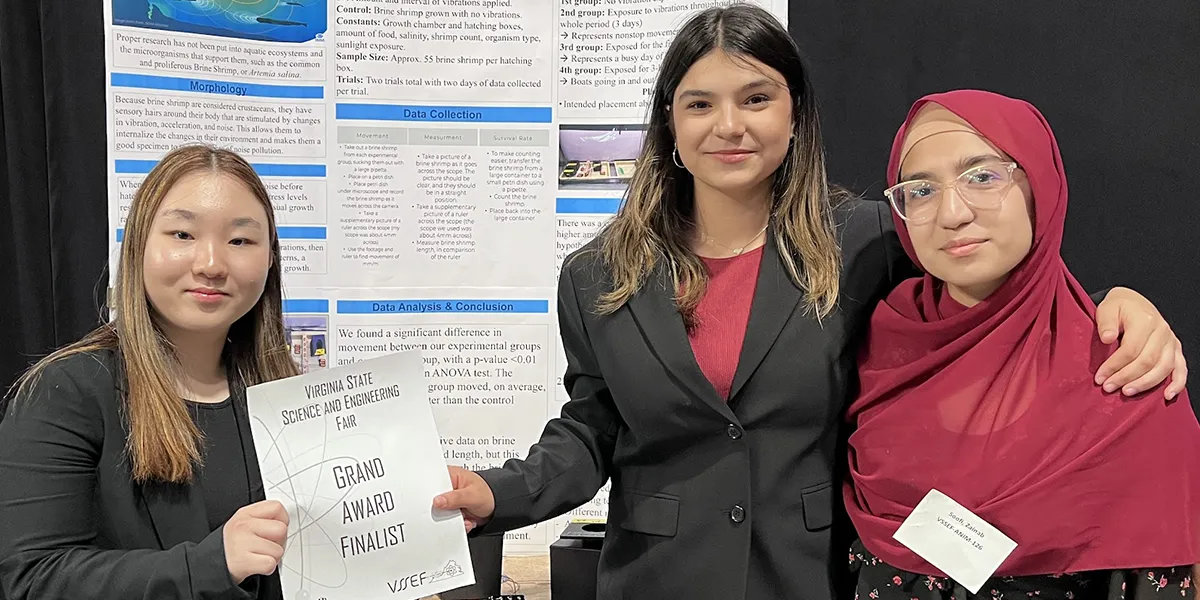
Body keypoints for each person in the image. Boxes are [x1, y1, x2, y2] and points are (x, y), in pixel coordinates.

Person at [433, 6, 1189, 599]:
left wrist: (1112, 304)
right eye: (700, 104)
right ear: (669, 122)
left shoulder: (866, 240)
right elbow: (592, 427)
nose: (729, 125)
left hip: (815, 577)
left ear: (793, 115)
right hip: (658, 580)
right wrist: (502, 494)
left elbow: (987, 295)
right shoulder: (597, 275)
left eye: (756, 97)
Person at [844, 90, 1199, 598]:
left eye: (983, 177)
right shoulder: (882, 340)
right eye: (919, 189)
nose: (952, 213)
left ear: (1040, 186)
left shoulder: (1127, 370)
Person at [0, 144, 297, 600]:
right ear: (138, 247)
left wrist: (425, 518)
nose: (211, 264)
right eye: (182, 235)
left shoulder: (291, 395)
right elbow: (30, 579)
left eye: (240, 240)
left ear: (270, 258)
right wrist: (210, 565)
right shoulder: (66, 392)